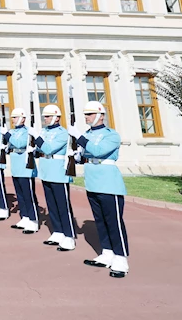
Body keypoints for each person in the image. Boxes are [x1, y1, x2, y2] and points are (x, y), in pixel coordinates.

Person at [69, 101, 129, 278]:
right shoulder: (87, 134)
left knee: (114, 222)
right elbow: (86, 155)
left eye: (90, 114)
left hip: (109, 183)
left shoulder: (112, 135)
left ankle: (121, 258)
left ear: (101, 115)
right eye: (85, 114)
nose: (86, 117)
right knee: (100, 220)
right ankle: (107, 252)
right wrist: (77, 155)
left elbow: (97, 151)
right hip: (93, 182)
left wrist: (79, 138)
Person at [28, 104, 76, 251]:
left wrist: (36, 137)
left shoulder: (62, 133)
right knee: (51, 205)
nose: (45, 119)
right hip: (46, 171)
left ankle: (69, 236)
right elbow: (40, 150)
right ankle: (58, 231)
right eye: (44, 117)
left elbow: (48, 148)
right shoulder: (44, 131)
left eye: (48, 116)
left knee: (63, 206)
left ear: (56, 118)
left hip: (58, 172)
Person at [4, 108, 40, 234]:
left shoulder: (27, 131)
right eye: (12, 117)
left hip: (25, 167)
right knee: (20, 194)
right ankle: (25, 217)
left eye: (15, 117)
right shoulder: (13, 131)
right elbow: (11, 145)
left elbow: (19, 144)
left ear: (23, 118)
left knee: (28, 194)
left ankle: (33, 220)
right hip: (16, 166)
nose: (12, 120)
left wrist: (8, 137)